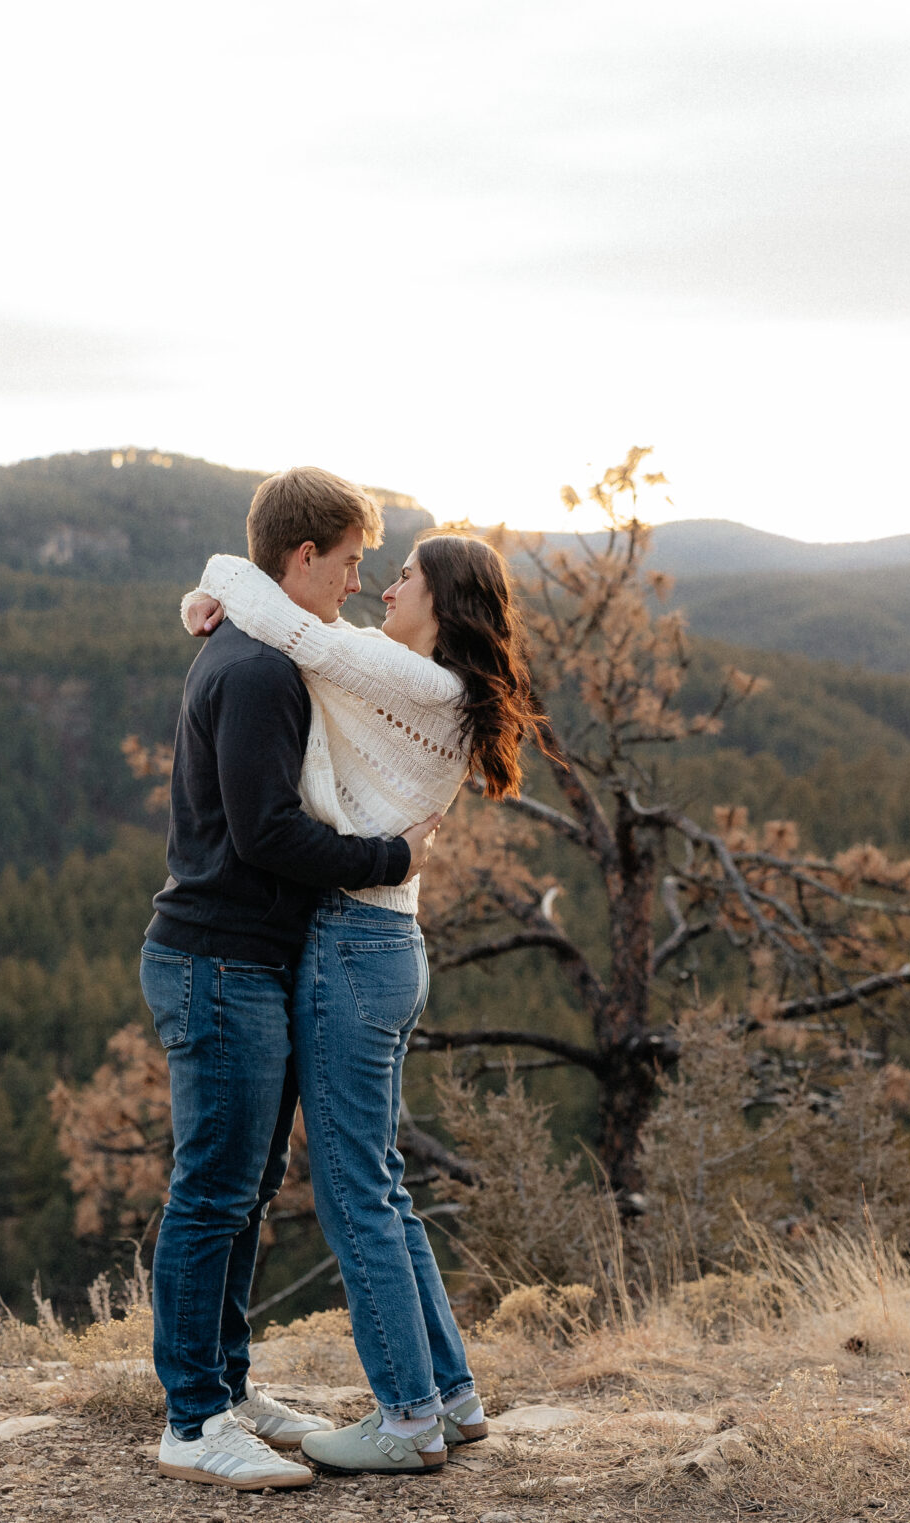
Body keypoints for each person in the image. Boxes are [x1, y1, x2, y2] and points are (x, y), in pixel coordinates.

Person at [179, 524, 547, 1476]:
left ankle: (405, 1418)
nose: (384, 587)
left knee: (352, 1196)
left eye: (405, 576)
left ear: (447, 599)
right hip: (382, 942)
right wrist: (211, 607)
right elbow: (297, 633)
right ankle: (451, 1399)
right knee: (378, 1181)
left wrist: (214, 582)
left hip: (352, 940)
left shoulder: (422, 683)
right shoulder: (425, 680)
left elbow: (295, 631)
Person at [143, 467, 446, 1492]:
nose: (359, 584)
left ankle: (224, 1390)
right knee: (214, 1191)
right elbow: (266, 833)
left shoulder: (261, 649)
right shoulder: (257, 672)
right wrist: (388, 860)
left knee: (243, 1190)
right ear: (302, 558)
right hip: (215, 958)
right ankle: (191, 1421)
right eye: (352, 562)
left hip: (244, 962)